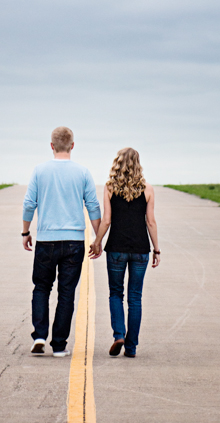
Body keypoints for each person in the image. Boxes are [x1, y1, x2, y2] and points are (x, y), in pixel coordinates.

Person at [22, 126, 101, 357]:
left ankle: (39, 335)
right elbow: (93, 206)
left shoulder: (40, 171)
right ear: (73, 146)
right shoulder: (83, 172)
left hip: (46, 240)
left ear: (52, 145)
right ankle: (59, 345)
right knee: (66, 293)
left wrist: (26, 232)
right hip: (74, 241)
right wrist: (97, 238)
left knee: (41, 288)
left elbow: (29, 204)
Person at [89, 147, 160, 358]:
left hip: (116, 249)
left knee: (115, 293)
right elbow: (151, 221)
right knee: (135, 298)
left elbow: (107, 220)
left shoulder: (110, 187)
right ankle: (131, 347)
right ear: (138, 165)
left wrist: (97, 241)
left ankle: (119, 334)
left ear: (117, 164)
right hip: (140, 250)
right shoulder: (147, 189)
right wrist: (156, 249)